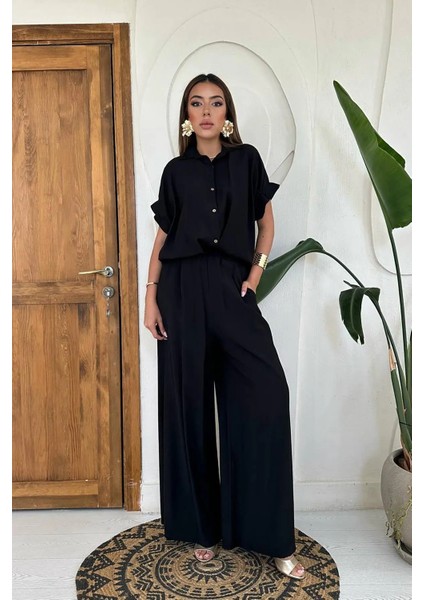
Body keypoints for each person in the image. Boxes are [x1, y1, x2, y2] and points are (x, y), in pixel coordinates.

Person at [144, 73, 305, 580]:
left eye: (216, 103)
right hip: (181, 291)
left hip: (233, 290)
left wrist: (255, 275)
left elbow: (266, 223)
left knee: (266, 395)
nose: (207, 112)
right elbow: (163, 238)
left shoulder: (247, 160)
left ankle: (270, 535)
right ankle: (202, 529)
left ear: (228, 114)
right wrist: (150, 296)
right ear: (187, 117)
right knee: (188, 408)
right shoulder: (175, 172)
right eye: (197, 104)